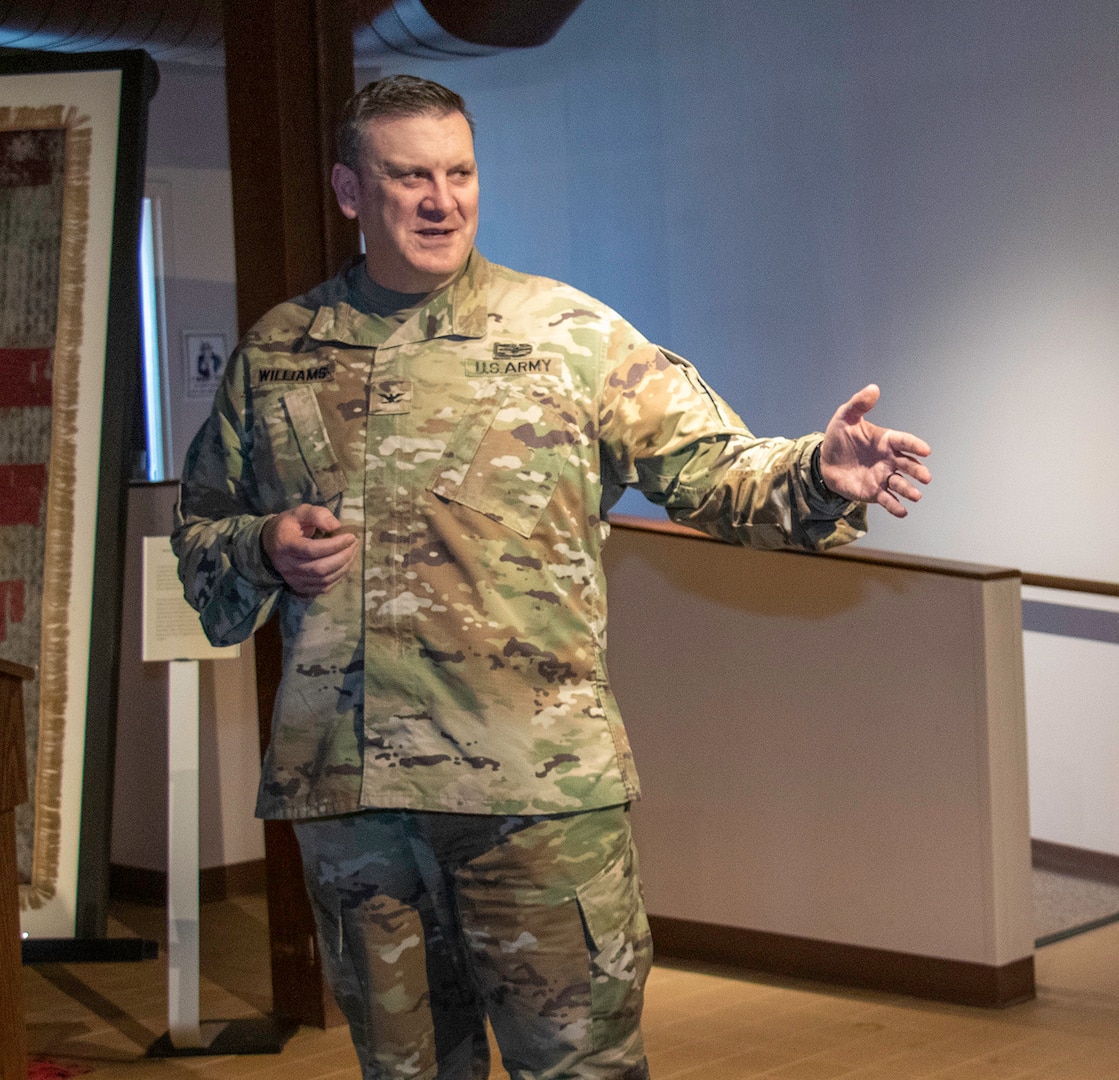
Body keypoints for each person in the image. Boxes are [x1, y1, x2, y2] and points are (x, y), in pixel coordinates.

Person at [172, 75, 932, 1080]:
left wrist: (817, 475)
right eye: (409, 177)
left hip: (535, 799)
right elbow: (201, 536)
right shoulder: (281, 352)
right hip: (353, 805)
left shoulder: (567, 337)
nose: (442, 199)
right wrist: (265, 545)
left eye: (461, 173)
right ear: (351, 192)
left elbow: (705, 469)